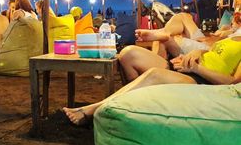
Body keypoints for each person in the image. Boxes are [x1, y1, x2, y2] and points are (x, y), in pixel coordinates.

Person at [63, 38, 241, 125]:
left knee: (154, 74)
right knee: (129, 53)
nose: (237, 11)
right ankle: (130, 109)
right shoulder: (231, 35)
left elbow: (233, 83)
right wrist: (197, 53)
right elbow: (211, 51)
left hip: (200, 79)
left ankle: (94, 110)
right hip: (185, 66)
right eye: (237, 7)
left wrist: (197, 69)